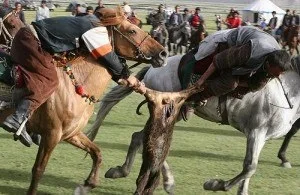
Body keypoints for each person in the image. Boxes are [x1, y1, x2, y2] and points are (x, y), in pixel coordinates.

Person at [1, 8, 144, 147]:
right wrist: (127, 76)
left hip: (32, 41)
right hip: (30, 42)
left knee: (44, 78)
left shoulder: (90, 22)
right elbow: (108, 57)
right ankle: (17, 118)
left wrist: (123, 76)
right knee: (50, 80)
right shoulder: (96, 30)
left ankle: (34, 126)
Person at [180, 26, 291, 105]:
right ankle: (192, 99)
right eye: (274, 74)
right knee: (230, 83)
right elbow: (218, 60)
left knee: (242, 86)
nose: (276, 77)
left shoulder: (277, 64)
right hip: (230, 42)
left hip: (254, 49)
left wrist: (240, 84)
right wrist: (201, 81)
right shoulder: (251, 51)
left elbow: (256, 84)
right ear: (268, 64)